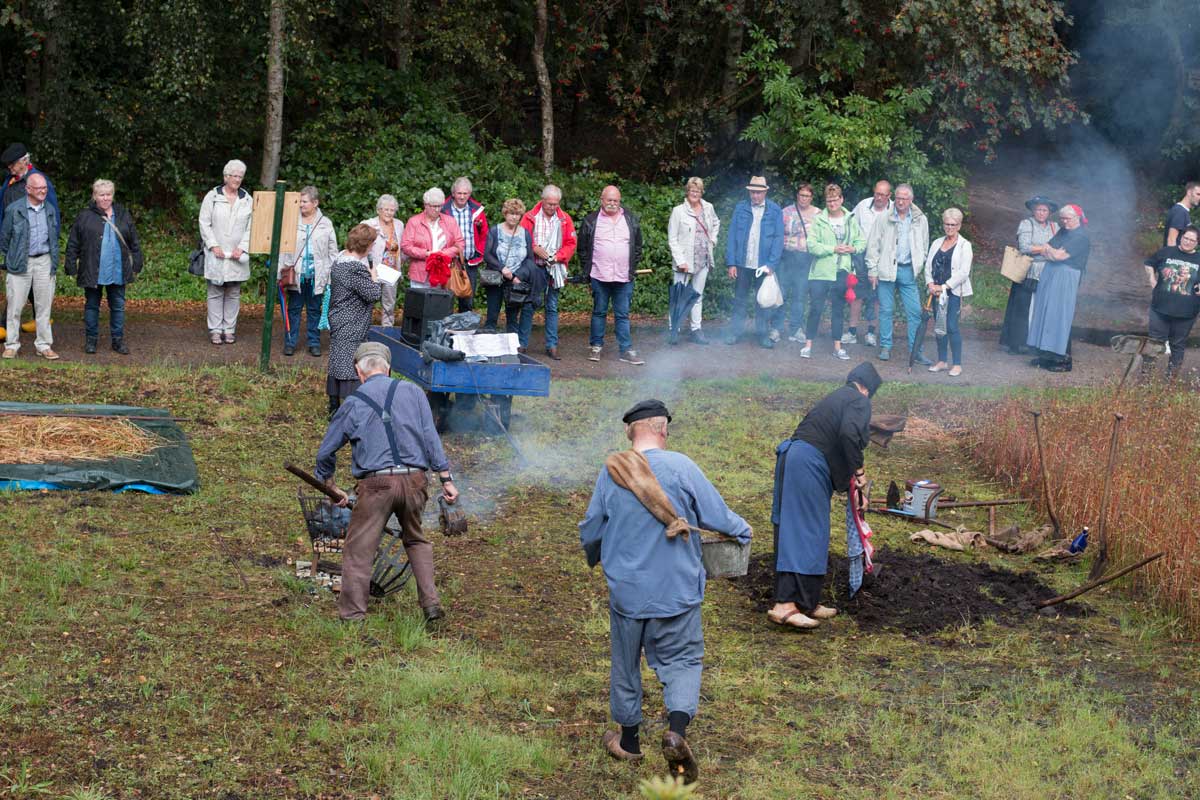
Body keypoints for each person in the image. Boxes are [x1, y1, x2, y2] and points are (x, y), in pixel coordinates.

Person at [580, 399, 751, 784]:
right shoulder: (683, 467)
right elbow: (716, 514)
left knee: (625, 664)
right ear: (663, 430)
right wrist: (743, 532)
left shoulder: (613, 471)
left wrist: (594, 556)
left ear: (631, 431)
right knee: (684, 660)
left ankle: (629, 742)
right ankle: (676, 732)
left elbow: (592, 527)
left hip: (628, 592)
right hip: (676, 589)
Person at [315, 341, 458, 625]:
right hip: (415, 481)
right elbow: (431, 437)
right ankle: (431, 605)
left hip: (376, 486)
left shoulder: (354, 403)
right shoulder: (414, 393)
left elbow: (325, 452)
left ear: (359, 371)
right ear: (388, 368)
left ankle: (353, 616)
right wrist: (446, 478)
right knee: (416, 540)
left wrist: (329, 485)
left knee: (358, 550)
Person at [769, 363, 881, 629]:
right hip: (807, 464)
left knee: (808, 530)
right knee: (803, 531)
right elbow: (848, 435)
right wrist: (861, 475)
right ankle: (784, 605)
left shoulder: (837, 397)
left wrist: (852, 484)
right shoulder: (858, 400)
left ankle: (806, 602)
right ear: (866, 388)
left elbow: (837, 439)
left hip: (797, 460)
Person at [63, 179, 144, 355]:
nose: (105, 198)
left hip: (118, 269)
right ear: (95, 196)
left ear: (112, 195)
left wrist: (137, 263)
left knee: (118, 306)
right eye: (102, 195)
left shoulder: (123, 214)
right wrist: (70, 264)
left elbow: (134, 241)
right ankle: (91, 341)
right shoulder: (84, 216)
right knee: (92, 306)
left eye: (108, 194)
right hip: (92, 269)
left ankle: (118, 341)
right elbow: (73, 243)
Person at [578, 185, 645, 365]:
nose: (612, 203)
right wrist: (587, 270)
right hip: (599, 275)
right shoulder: (591, 220)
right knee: (599, 312)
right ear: (602, 200)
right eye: (609, 200)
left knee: (622, 314)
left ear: (619, 201)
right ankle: (596, 346)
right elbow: (582, 249)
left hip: (623, 277)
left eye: (615, 200)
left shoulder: (630, 219)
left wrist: (631, 266)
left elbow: (638, 246)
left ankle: (626, 350)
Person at [866, 183, 930, 364]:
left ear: (911, 200)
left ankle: (915, 350)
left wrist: (919, 263)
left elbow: (924, 245)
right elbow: (873, 245)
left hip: (908, 270)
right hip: (886, 269)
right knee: (886, 310)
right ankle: (886, 346)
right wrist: (872, 269)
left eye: (904, 198)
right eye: (898, 197)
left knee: (915, 312)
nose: (900, 201)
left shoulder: (920, 219)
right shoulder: (884, 217)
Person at [1, 172, 61, 360]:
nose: (43, 191)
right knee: (14, 306)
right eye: (39, 188)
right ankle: (11, 345)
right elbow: (4, 238)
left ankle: (43, 345)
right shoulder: (14, 210)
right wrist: (12, 257)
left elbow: (54, 235)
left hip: (44, 261)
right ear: (28, 189)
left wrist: (53, 260)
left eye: (44, 188)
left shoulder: (50, 209)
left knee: (44, 307)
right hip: (20, 262)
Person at [326, 224, 383, 416]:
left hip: (339, 316)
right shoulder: (354, 269)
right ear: (365, 246)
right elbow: (373, 294)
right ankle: (350, 410)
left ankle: (333, 404)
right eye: (372, 244)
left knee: (337, 360)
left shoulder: (340, 261)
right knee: (349, 365)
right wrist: (374, 277)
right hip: (351, 320)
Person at [803, 183, 864, 360]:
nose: (832, 204)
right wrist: (833, 249)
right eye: (829, 201)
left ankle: (838, 346)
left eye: (835, 200)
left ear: (841, 199)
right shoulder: (819, 219)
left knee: (838, 309)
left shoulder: (850, 219)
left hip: (842, 271)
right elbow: (812, 245)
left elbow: (861, 241)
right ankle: (808, 345)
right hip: (820, 272)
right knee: (816, 308)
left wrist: (852, 249)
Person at [1027, 204, 1090, 372]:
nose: (1063, 222)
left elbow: (1058, 255)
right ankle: (1045, 355)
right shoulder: (1063, 231)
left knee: (1058, 314)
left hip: (1066, 276)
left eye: (1067, 219)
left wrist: (1051, 252)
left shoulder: (1081, 237)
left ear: (1077, 218)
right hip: (1051, 273)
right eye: (1061, 218)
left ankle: (1060, 358)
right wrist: (1051, 252)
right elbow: (1045, 249)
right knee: (1044, 311)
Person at [723, 176, 784, 348]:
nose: (755, 196)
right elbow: (732, 236)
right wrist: (731, 263)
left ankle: (763, 334)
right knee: (740, 300)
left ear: (765, 192)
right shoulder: (741, 208)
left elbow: (779, 239)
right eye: (753, 192)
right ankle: (735, 332)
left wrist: (772, 264)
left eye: (758, 192)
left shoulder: (774, 210)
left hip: (763, 265)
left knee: (763, 301)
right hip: (743, 263)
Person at [198, 159, 253, 345]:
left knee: (233, 292)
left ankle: (229, 329)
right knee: (215, 291)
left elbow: (252, 227)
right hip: (216, 253)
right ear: (226, 177)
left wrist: (243, 247)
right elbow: (204, 222)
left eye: (240, 176)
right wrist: (213, 245)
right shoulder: (212, 196)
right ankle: (215, 329)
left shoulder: (247, 199)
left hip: (237, 254)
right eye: (234, 176)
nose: (237, 180)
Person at [520, 184, 577, 360]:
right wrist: (534, 248)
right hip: (534, 268)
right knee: (529, 305)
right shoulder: (530, 217)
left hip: (555, 268)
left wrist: (559, 257)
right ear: (542, 200)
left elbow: (571, 243)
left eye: (556, 204)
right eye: (549, 204)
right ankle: (522, 344)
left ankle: (552, 345)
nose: (552, 207)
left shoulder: (565, 219)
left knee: (552, 306)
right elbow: (520, 239)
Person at [279, 186, 338, 357]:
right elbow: (283, 249)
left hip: (317, 275)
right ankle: (290, 342)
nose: (301, 205)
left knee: (314, 310)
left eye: (304, 202)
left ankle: (314, 342)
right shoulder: (291, 222)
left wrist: (330, 276)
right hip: (295, 274)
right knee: (294, 309)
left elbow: (332, 252)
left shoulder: (326, 223)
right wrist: (279, 273)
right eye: (299, 201)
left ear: (315, 203)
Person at [999, 196, 1058, 356]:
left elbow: (1060, 247)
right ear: (1033, 210)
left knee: (1042, 307)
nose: (1041, 212)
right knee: (1023, 308)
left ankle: (1038, 341)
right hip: (1029, 271)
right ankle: (1018, 342)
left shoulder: (1054, 227)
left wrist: (1045, 250)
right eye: (1038, 209)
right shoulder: (1026, 224)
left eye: (1044, 210)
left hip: (1048, 271)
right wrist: (1046, 249)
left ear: (1049, 212)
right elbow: (1025, 247)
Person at [666, 177, 720, 345]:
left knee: (697, 296)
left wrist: (713, 240)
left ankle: (696, 329)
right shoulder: (678, 211)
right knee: (679, 296)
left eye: (697, 190)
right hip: (685, 262)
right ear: (687, 191)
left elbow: (716, 223)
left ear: (701, 192)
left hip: (703, 260)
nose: (694, 193)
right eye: (691, 190)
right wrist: (680, 260)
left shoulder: (708, 208)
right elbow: (672, 239)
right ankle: (674, 329)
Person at [483, 198, 541, 350]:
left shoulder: (525, 234)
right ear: (505, 213)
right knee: (492, 314)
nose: (514, 217)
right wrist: (502, 268)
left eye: (517, 214)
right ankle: (488, 347)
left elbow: (529, 259)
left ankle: (512, 349)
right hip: (496, 279)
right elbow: (487, 255)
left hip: (515, 280)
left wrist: (517, 276)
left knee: (512, 317)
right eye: (511, 213)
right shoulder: (495, 231)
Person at [1142, 225, 1200, 378]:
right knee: (1154, 343)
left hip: (1186, 314)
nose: (1187, 242)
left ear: (1197, 243)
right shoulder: (1167, 252)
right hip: (1159, 309)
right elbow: (1149, 263)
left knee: (1178, 346)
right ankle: (1146, 378)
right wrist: (1152, 279)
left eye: (1191, 240)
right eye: (1185, 238)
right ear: (1181, 237)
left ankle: (1170, 380)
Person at [921, 208, 973, 377]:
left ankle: (957, 364)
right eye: (947, 224)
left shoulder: (965, 245)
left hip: (954, 292)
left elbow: (964, 272)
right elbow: (928, 265)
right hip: (935, 293)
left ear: (959, 225)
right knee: (939, 327)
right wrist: (930, 283)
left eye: (953, 224)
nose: (949, 227)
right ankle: (942, 361)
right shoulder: (937, 242)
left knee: (951, 326)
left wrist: (943, 287)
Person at [848, 180, 892, 346]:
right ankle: (852, 332)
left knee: (877, 298)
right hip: (861, 256)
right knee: (857, 295)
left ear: (889, 196)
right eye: (877, 193)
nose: (879, 197)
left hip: (883, 258)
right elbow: (850, 224)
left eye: (883, 194)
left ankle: (871, 333)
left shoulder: (894, 210)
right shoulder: (863, 206)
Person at [401, 188, 464, 291]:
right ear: (426, 205)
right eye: (434, 206)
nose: (437, 209)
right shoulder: (414, 222)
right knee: (420, 305)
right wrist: (426, 253)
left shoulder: (450, 221)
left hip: (444, 272)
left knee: (440, 305)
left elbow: (460, 243)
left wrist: (443, 254)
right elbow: (406, 246)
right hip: (420, 273)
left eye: (440, 206)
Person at [442, 177, 489, 313]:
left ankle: (463, 331)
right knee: (446, 299)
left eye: (465, 193)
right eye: (459, 193)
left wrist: (480, 252)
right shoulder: (443, 209)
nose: (462, 197)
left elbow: (484, 234)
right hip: (448, 261)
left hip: (470, 262)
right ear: (453, 193)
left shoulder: (477, 210)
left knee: (467, 299)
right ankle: (445, 331)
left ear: (469, 194)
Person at [781, 183, 820, 343]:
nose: (803, 198)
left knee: (799, 296)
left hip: (805, 259)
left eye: (807, 196)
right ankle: (776, 328)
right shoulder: (786, 212)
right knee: (781, 294)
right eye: (801, 195)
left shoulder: (818, 214)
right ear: (797, 196)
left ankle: (795, 329)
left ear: (811, 197)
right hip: (786, 257)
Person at [361, 194, 404, 326]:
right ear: (379, 210)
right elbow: (360, 247)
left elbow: (402, 248)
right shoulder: (368, 224)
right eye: (386, 209)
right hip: (372, 269)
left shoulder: (399, 224)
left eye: (392, 210)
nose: (389, 213)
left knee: (389, 304)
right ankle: (363, 329)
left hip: (391, 270)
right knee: (367, 301)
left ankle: (387, 330)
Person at [1163, 182, 1200, 247]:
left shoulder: (1183, 211)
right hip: (1173, 256)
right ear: (1189, 192)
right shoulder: (1180, 211)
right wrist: (1173, 257)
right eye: (1198, 194)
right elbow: (1171, 240)